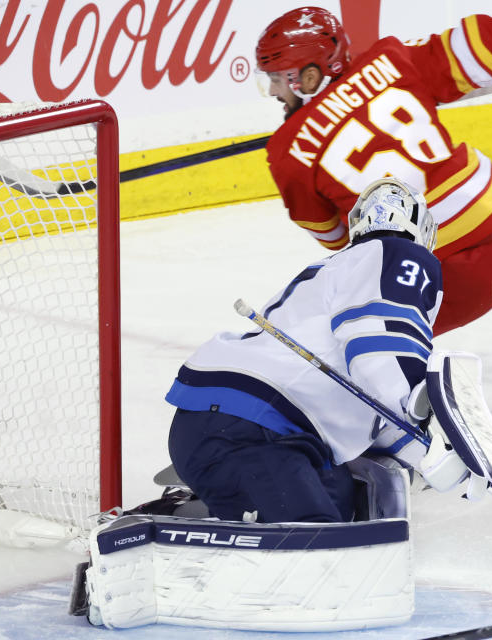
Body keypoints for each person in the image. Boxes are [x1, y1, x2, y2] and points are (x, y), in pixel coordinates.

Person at [255, 8, 492, 335]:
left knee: (332, 336)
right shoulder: (391, 60)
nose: (272, 92)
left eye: (275, 79)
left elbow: (334, 237)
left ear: (309, 78)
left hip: (435, 275)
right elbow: (483, 42)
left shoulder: (287, 153)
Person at [164, 178, 473, 523]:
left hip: (246, 425)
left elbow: (380, 409)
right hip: (250, 429)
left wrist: (430, 455)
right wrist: (439, 438)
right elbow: (382, 352)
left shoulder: (336, 270)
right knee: (318, 544)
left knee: (351, 508)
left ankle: (205, 508)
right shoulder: (401, 256)